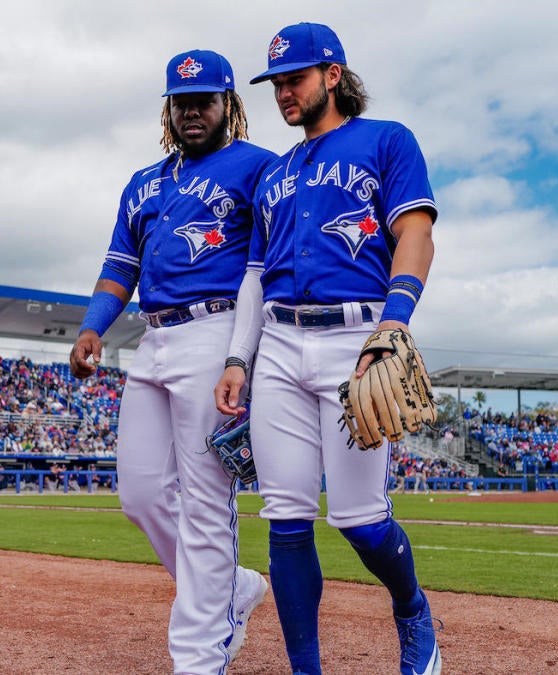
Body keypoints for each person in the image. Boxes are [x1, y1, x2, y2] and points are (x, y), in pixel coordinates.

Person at [214, 23, 441, 674]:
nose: (284, 93)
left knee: (360, 519)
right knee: (284, 518)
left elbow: (415, 232)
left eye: (296, 78)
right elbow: (254, 276)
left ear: (333, 75)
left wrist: (395, 322)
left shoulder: (386, 140)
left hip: (358, 333)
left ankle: (413, 606)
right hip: (281, 343)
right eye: (277, 83)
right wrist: (239, 357)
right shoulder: (274, 173)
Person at [68, 49, 277, 673]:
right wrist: (91, 328)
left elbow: (266, 267)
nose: (192, 111)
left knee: (208, 500)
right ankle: (230, 589)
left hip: (216, 332)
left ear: (229, 105)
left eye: (204, 100)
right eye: (181, 102)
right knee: (139, 491)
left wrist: (248, 354)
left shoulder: (256, 167)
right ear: (169, 109)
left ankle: (198, 657)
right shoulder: (144, 183)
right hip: (154, 338)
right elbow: (119, 266)